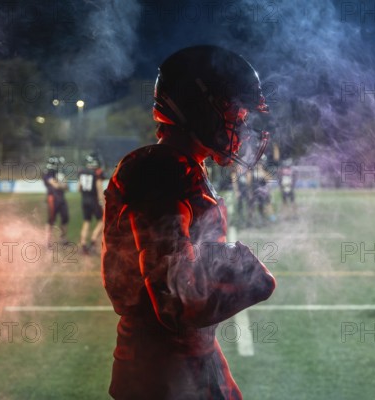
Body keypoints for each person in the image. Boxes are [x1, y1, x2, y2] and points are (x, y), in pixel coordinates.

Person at [101, 45, 276, 400]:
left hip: (190, 362)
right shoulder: (161, 169)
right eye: (233, 107)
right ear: (198, 105)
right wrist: (248, 277)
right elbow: (175, 302)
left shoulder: (183, 166)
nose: (240, 119)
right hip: (160, 377)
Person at [78, 153, 106, 255]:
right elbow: (99, 188)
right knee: (102, 220)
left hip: (84, 199)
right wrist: (102, 202)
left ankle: (83, 245)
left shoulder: (82, 172)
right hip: (94, 200)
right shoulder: (97, 173)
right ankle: (93, 241)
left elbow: (79, 188)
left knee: (86, 221)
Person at [43, 155, 70, 247]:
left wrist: (61, 183)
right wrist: (61, 183)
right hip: (53, 198)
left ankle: (63, 239)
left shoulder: (58, 173)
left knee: (65, 218)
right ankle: (47, 241)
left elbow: (66, 187)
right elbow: (56, 185)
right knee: (51, 220)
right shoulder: (48, 173)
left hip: (61, 198)